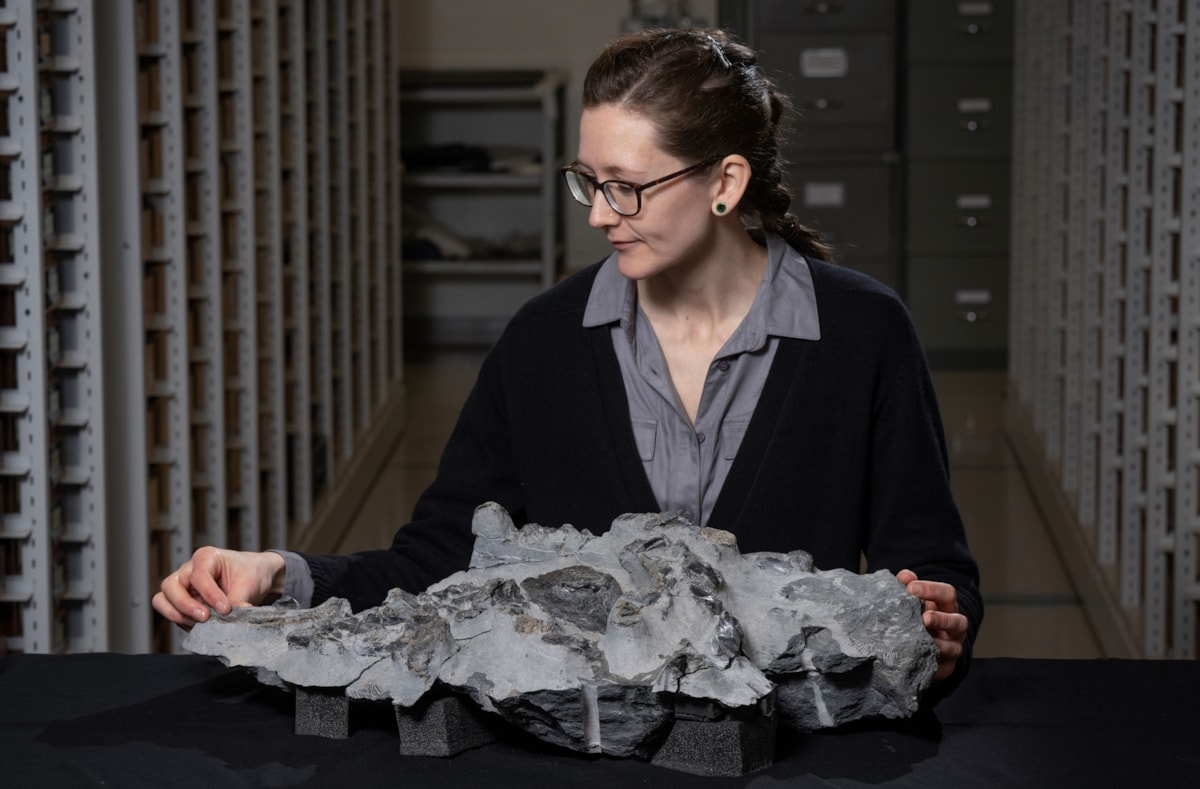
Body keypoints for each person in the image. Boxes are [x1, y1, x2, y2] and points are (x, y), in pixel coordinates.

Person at [155, 27, 981, 695]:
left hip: (793, 747)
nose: (599, 216)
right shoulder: (545, 341)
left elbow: (935, 568)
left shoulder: (863, 331)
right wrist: (280, 573)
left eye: (627, 186)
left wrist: (940, 624)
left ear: (725, 181)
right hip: (591, 750)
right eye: (588, 182)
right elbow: (439, 561)